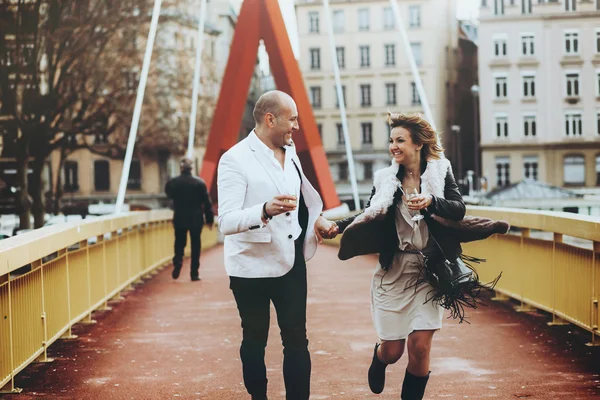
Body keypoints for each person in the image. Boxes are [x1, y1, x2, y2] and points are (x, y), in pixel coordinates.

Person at [328, 113, 506, 400]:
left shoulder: (440, 172)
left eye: (400, 140)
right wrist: (337, 226)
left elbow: (459, 209)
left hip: (428, 271)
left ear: (418, 144)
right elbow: (369, 214)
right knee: (394, 350)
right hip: (394, 270)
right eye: (391, 140)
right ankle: (380, 357)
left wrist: (432, 201)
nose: (393, 146)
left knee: (420, 346)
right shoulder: (385, 179)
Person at [217, 90, 336, 400]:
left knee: (297, 339)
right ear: (270, 119)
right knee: (255, 340)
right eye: (292, 119)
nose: (296, 126)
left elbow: (301, 201)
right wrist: (264, 210)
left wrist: (317, 221)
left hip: (290, 259)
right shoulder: (234, 159)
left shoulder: (290, 150)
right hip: (250, 266)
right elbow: (226, 221)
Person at [165, 158, 214, 281]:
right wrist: (209, 220)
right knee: (195, 245)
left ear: (181, 168)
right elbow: (207, 203)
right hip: (196, 218)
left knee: (179, 243)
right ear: (191, 168)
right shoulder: (199, 183)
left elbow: (169, 194)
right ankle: (194, 273)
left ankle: (177, 263)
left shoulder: (173, 183)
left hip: (180, 217)